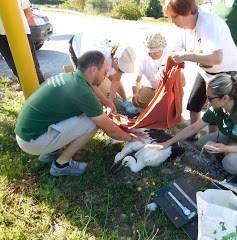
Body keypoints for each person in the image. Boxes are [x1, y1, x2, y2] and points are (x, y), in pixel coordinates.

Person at [15, 51, 144, 177]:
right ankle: (61, 165)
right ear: (93, 70)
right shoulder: (82, 92)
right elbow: (111, 130)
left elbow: (90, 88)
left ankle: (50, 152)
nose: (105, 77)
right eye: (104, 73)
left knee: (88, 113)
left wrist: (106, 101)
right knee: (92, 122)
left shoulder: (72, 78)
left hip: (28, 133)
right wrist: (131, 137)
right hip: (32, 141)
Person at [149, 74, 237, 176]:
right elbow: (194, 127)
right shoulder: (218, 107)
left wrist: (226, 149)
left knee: (229, 164)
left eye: (210, 98)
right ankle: (230, 155)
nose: (207, 101)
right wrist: (167, 143)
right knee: (202, 144)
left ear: (225, 98)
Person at [163, 0, 237, 140]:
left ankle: (214, 142)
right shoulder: (186, 27)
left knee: (217, 112)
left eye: (174, 17)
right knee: (193, 105)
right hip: (206, 72)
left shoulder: (208, 23)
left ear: (188, 12)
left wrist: (186, 56)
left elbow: (216, 58)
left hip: (226, 73)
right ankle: (193, 136)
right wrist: (164, 66)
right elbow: (173, 50)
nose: (172, 21)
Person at [69, 32, 138, 114]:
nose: (121, 72)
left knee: (113, 74)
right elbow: (92, 83)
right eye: (121, 68)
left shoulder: (123, 52)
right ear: (115, 60)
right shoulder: (95, 59)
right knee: (82, 81)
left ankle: (125, 101)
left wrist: (110, 100)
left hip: (93, 40)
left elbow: (116, 80)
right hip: (77, 42)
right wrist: (106, 102)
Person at [0, 0, 45, 84]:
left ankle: (44, 93)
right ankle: (29, 93)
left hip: (20, 33)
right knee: (16, 68)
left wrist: (18, 26)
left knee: (32, 68)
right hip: (2, 36)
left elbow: (28, 12)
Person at [132, 32, 168, 109]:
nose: (152, 55)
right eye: (150, 52)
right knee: (136, 100)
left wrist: (162, 90)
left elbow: (182, 82)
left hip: (167, 90)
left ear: (162, 49)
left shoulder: (169, 56)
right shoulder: (144, 59)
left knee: (164, 108)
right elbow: (137, 80)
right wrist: (136, 93)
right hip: (152, 89)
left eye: (155, 52)